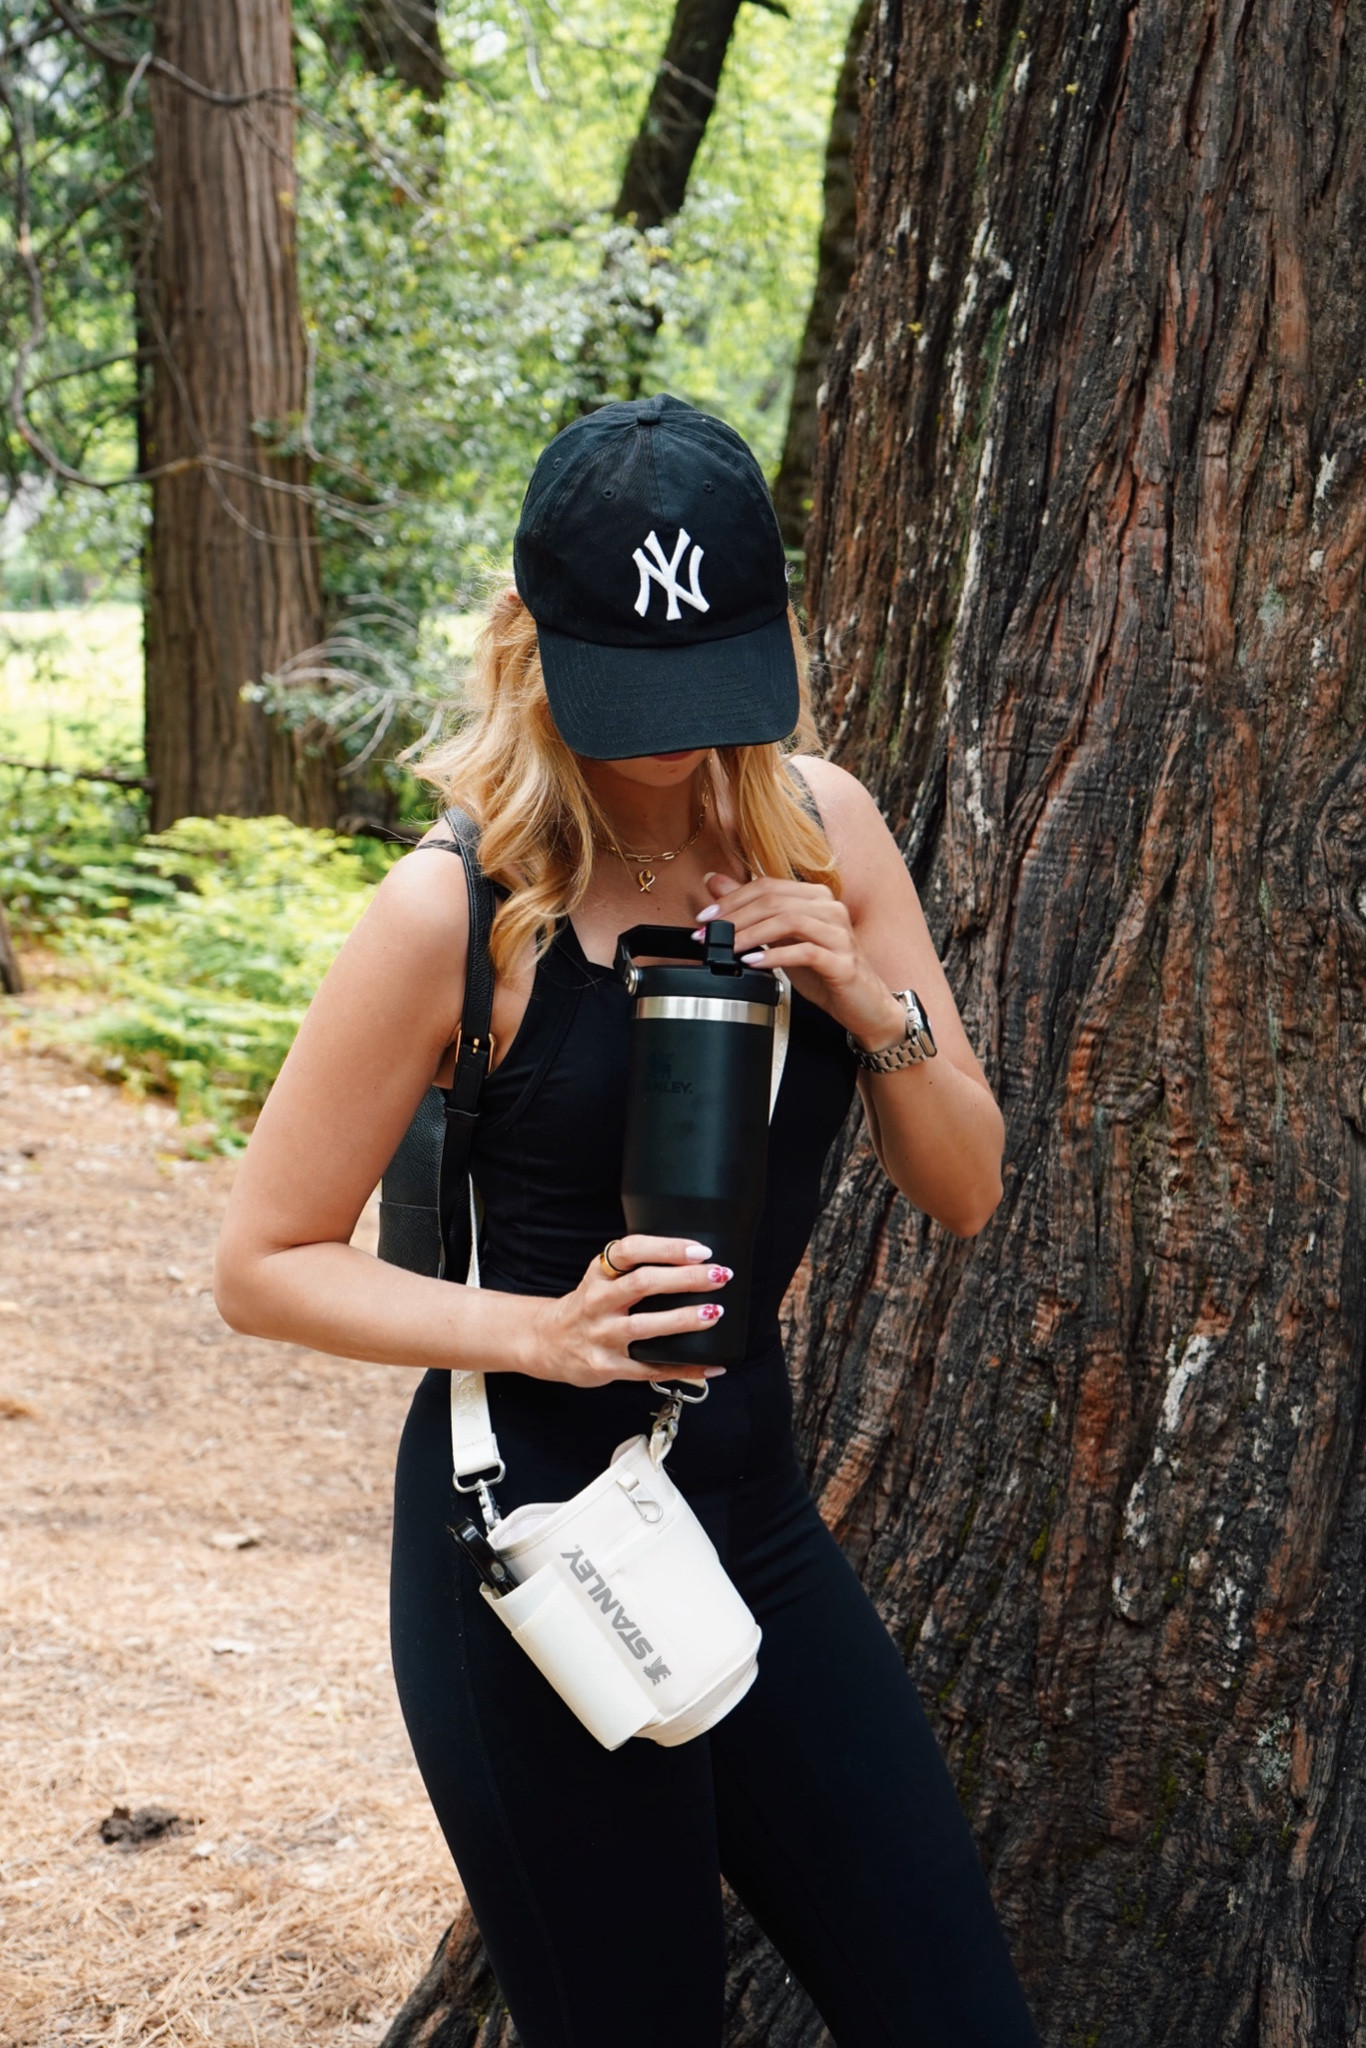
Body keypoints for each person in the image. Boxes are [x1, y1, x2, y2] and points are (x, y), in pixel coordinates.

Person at [215, 395, 1039, 2048]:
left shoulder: (824, 828)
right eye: (629, 690)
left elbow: (963, 1188)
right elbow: (262, 1263)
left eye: (705, 680)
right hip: (528, 1543)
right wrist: (544, 1330)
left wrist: (862, 998)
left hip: (751, 1513)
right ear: (533, 649)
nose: (669, 738)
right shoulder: (457, 910)